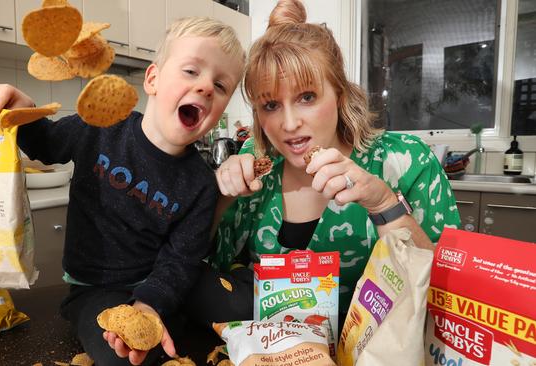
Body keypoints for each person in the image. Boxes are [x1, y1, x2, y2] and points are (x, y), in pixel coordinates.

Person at [0, 17, 245, 366]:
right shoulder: (102, 124)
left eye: (221, 85)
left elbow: (181, 260)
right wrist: (22, 108)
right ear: (152, 79)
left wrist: (149, 306)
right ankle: (168, 324)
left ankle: (173, 316)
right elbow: (46, 142)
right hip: (96, 288)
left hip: (162, 281)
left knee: (243, 305)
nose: (207, 87)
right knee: (123, 357)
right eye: (191, 71)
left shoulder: (200, 183)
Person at [186, 0, 461, 330]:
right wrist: (222, 196)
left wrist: (383, 204)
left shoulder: (405, 161)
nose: (289, 124)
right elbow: (202, 266)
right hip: (275, 352)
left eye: (306, 97)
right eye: (271, 104)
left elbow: (448, 297)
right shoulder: (257, 164)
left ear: (339, 94)